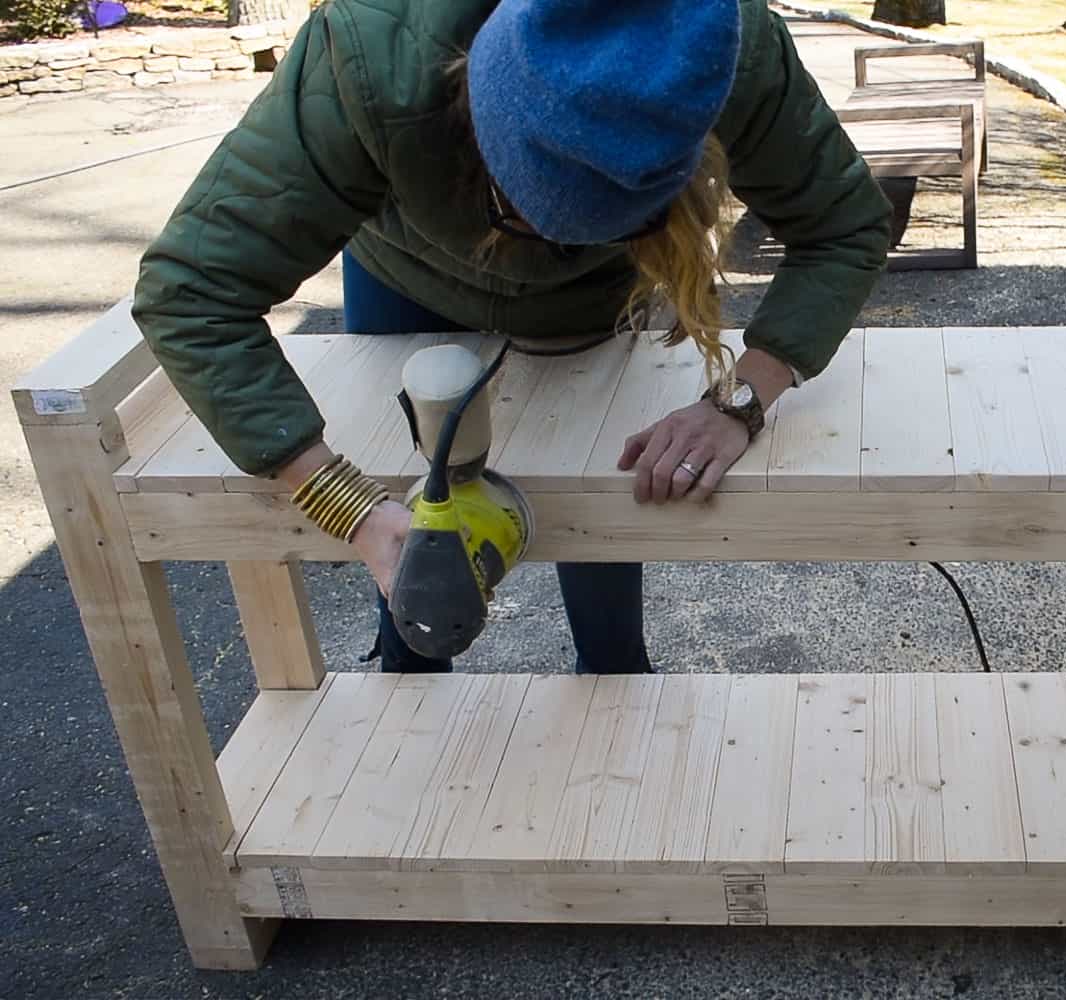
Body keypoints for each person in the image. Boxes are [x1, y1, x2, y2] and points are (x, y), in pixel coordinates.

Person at [132, 0, 892, 674]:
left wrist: (740, 400)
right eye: (522, 218)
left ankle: (614, 671)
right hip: (410, 275)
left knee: (607, 485)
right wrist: (349, 508)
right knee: (416, 519)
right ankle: (411, 662)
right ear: (473, 100)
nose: (540, 253)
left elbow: (844, 222)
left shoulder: (728, 45)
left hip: (595, 302)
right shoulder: (371, 49)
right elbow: (192, 292)